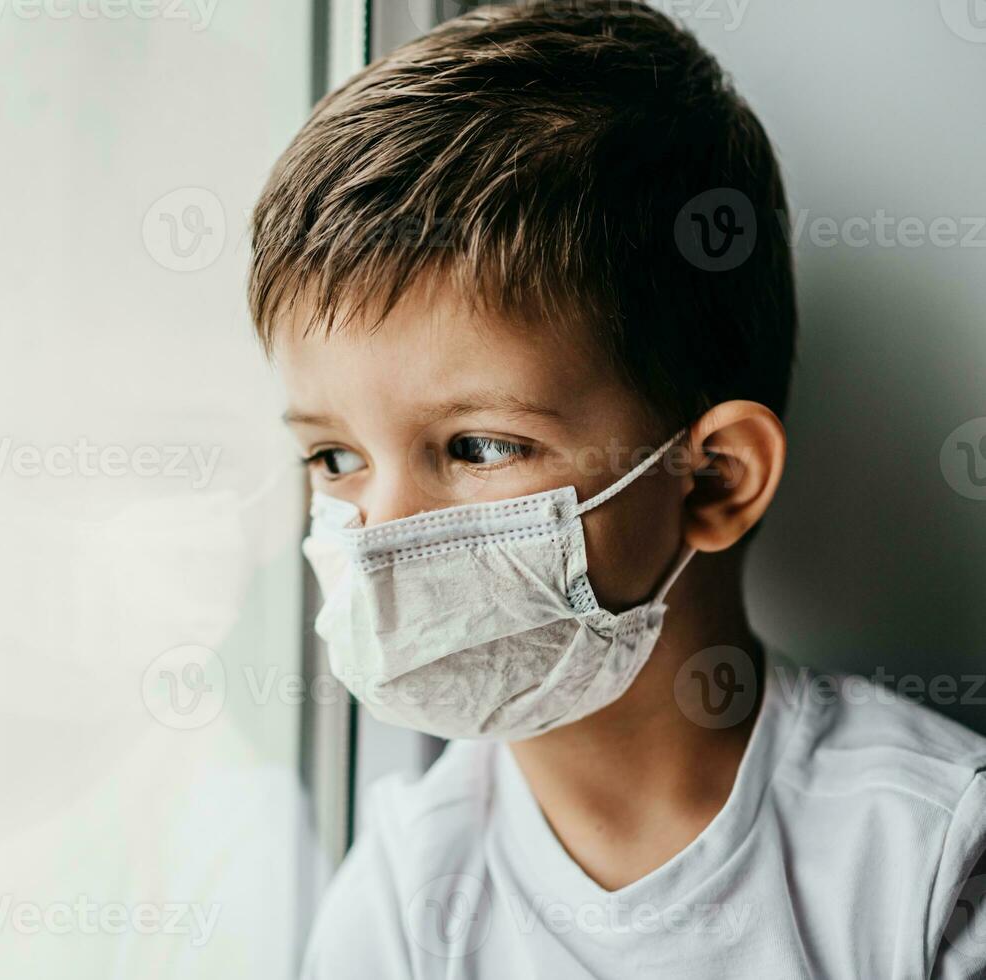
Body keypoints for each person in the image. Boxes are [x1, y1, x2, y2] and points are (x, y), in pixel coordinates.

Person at [246, 2, 986, 976]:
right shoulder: (404, 887)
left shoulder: (932, 850)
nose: (377, 528)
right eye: (334, 458)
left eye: (475, 445)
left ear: (712, 480)